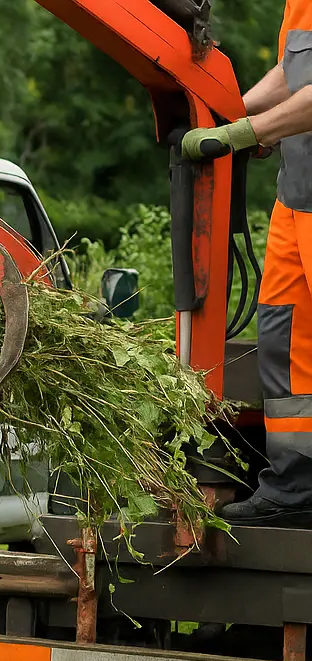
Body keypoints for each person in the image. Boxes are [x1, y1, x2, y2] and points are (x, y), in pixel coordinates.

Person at [183, 0, 312, 524]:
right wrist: (227, 111)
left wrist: (246, 131)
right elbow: (293, 72)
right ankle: (294, 484)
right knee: (282, 341)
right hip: (297, 200)